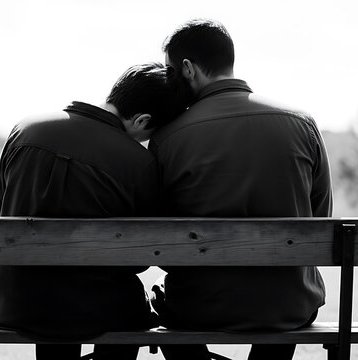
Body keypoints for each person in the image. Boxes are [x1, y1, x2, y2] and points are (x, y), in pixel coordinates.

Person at [149, 19, 333, 360]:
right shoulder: (302, 123)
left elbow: (158, 238)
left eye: (170, 72)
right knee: (279, 307)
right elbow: (320, 222)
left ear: (187, 69)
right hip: (290, 304)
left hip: (198, 306)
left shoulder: (167, 138)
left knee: (166, 303)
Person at [0, 62, 185, 360]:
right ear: (143, 120)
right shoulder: (139, 164)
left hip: (13, 304)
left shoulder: (25, 130)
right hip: (99, 310)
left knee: (57, 298)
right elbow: (142, 257)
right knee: (128, 306)